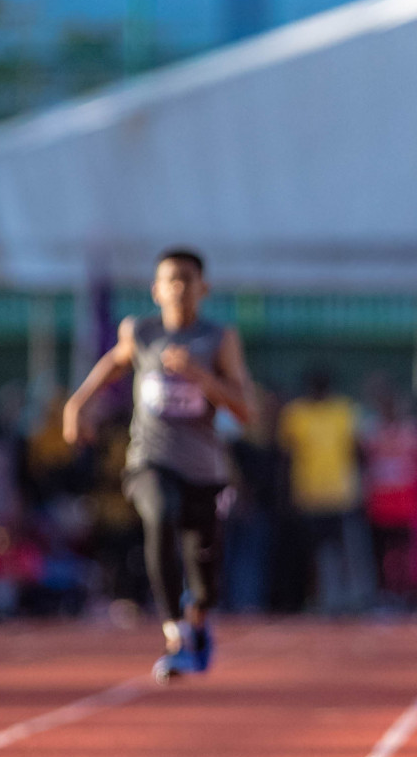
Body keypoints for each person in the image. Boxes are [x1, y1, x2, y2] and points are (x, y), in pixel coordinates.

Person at [64, 249, 254, 683]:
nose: (180, 288)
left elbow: (246, 410)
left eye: (188, 279)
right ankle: (176, 633)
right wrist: (79, 403)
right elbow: (114, 362)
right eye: (171, 279)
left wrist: (202, 377)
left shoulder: (219, 338)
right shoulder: (141, 331)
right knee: (159, 515)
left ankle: (198, 619)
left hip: (204, 471)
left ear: (203, 288)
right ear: (156, 289)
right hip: (149, 459)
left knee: (205, 577)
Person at [278, 369, 365, 613]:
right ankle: (315, 599)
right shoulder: (295, 413)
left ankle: (345, 600)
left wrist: (360, 488)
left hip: (339, 496)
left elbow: (356, 452)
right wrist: (285, 494)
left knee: (342, 553)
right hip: (307, 495)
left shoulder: (344, 410)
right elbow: (286, 458)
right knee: (311, 555)